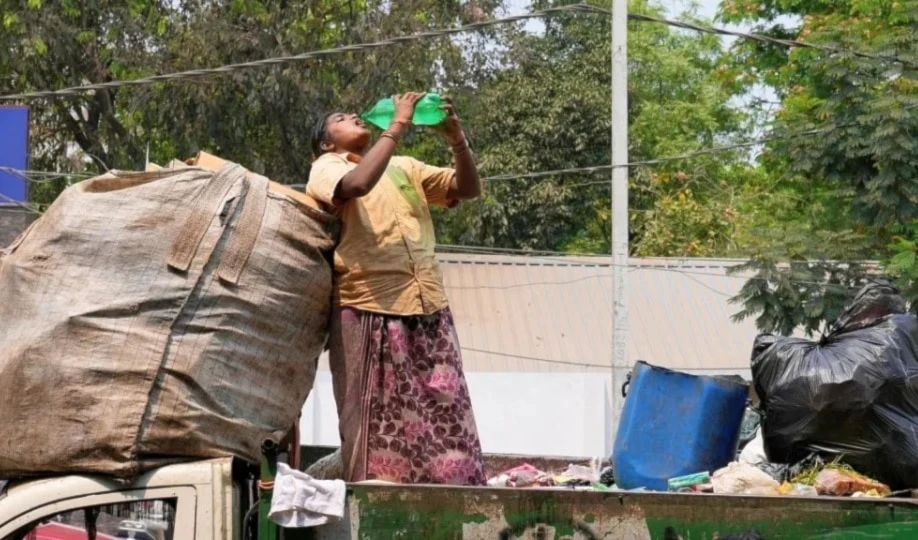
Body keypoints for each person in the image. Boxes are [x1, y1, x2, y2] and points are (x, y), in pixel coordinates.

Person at [306, 92, 486, 485]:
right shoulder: (327, 167)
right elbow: (357, 184)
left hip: (428, 306)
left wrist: (456, 139)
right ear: (326, 143)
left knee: (444, 409)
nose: (354, 115)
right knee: (377, 417)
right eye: (341, 117)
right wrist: (398, 124)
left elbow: (467, 188)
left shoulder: (405, 166)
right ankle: (380, 500)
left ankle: (450, 495)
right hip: (369, 306)